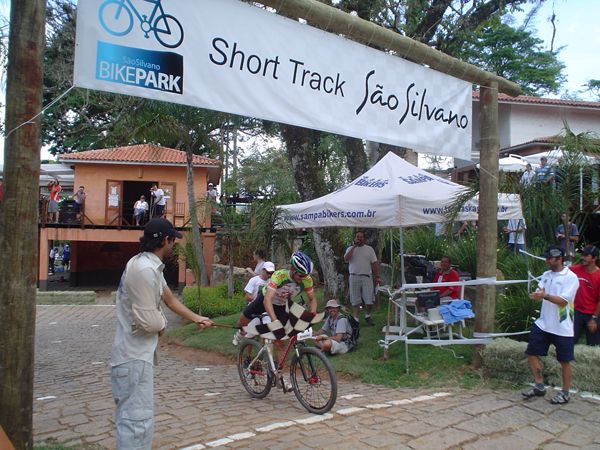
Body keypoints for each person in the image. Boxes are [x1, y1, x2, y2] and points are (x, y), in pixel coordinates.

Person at [111, 218, 214, 448]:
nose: (174, 245)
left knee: (137, 419)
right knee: (136, 422)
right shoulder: (145, 269)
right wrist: (163, 325)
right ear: (165, 240)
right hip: (133, 356)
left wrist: (198, 318)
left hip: (137, 356)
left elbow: (168, 298)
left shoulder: (147, 265)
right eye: (172, 241)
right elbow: (151, 323)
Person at [234, 251, 317, 368]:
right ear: (293, 270)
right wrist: (274, 321)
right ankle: (240, 333)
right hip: (264, 300)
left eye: (305, 275)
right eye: (301, 275)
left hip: (281, 305)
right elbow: (267, 300)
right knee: (242, 322)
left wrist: (312, 316)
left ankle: (279, 374)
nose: (303, 278)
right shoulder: (279, 276)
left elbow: (312, 299)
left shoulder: (306, 280)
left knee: (280, 343)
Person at [522, 246, 579, 405]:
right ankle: (539, 384)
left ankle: (565, 392)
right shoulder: (546, 275)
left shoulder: (571, 277)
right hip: (543, 323)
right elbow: (540, 291)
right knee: (531, 353)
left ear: (559, 259)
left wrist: (545, 295)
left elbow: (563, 301)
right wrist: (537, 295)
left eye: (549, 258)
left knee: (564, 361)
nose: (546, 261)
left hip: (562, 327)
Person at [344, 231, 380, 326]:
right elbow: (346, 259)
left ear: (364, 238)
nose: (359, 238)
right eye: (357, 237)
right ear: (355, 238)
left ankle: (367, 315)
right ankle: (355, 318)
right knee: (355, 299)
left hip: (366, 277)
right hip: (354, 276)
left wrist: (377, 276)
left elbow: (374, 263)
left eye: (361, 237)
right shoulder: (350, 249)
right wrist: (354, 247)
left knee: (369, 299)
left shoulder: (369, 249)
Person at [570, 245, 600, 346]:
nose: (582, 257)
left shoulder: (599, 276)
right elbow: (561, 271)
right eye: (583, 254)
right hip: (576, 312)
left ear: (594, 258)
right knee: (568, 342)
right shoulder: (575, 269)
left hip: (592, 314)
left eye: (587, 255)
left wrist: (594, 319)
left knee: (593, 346)